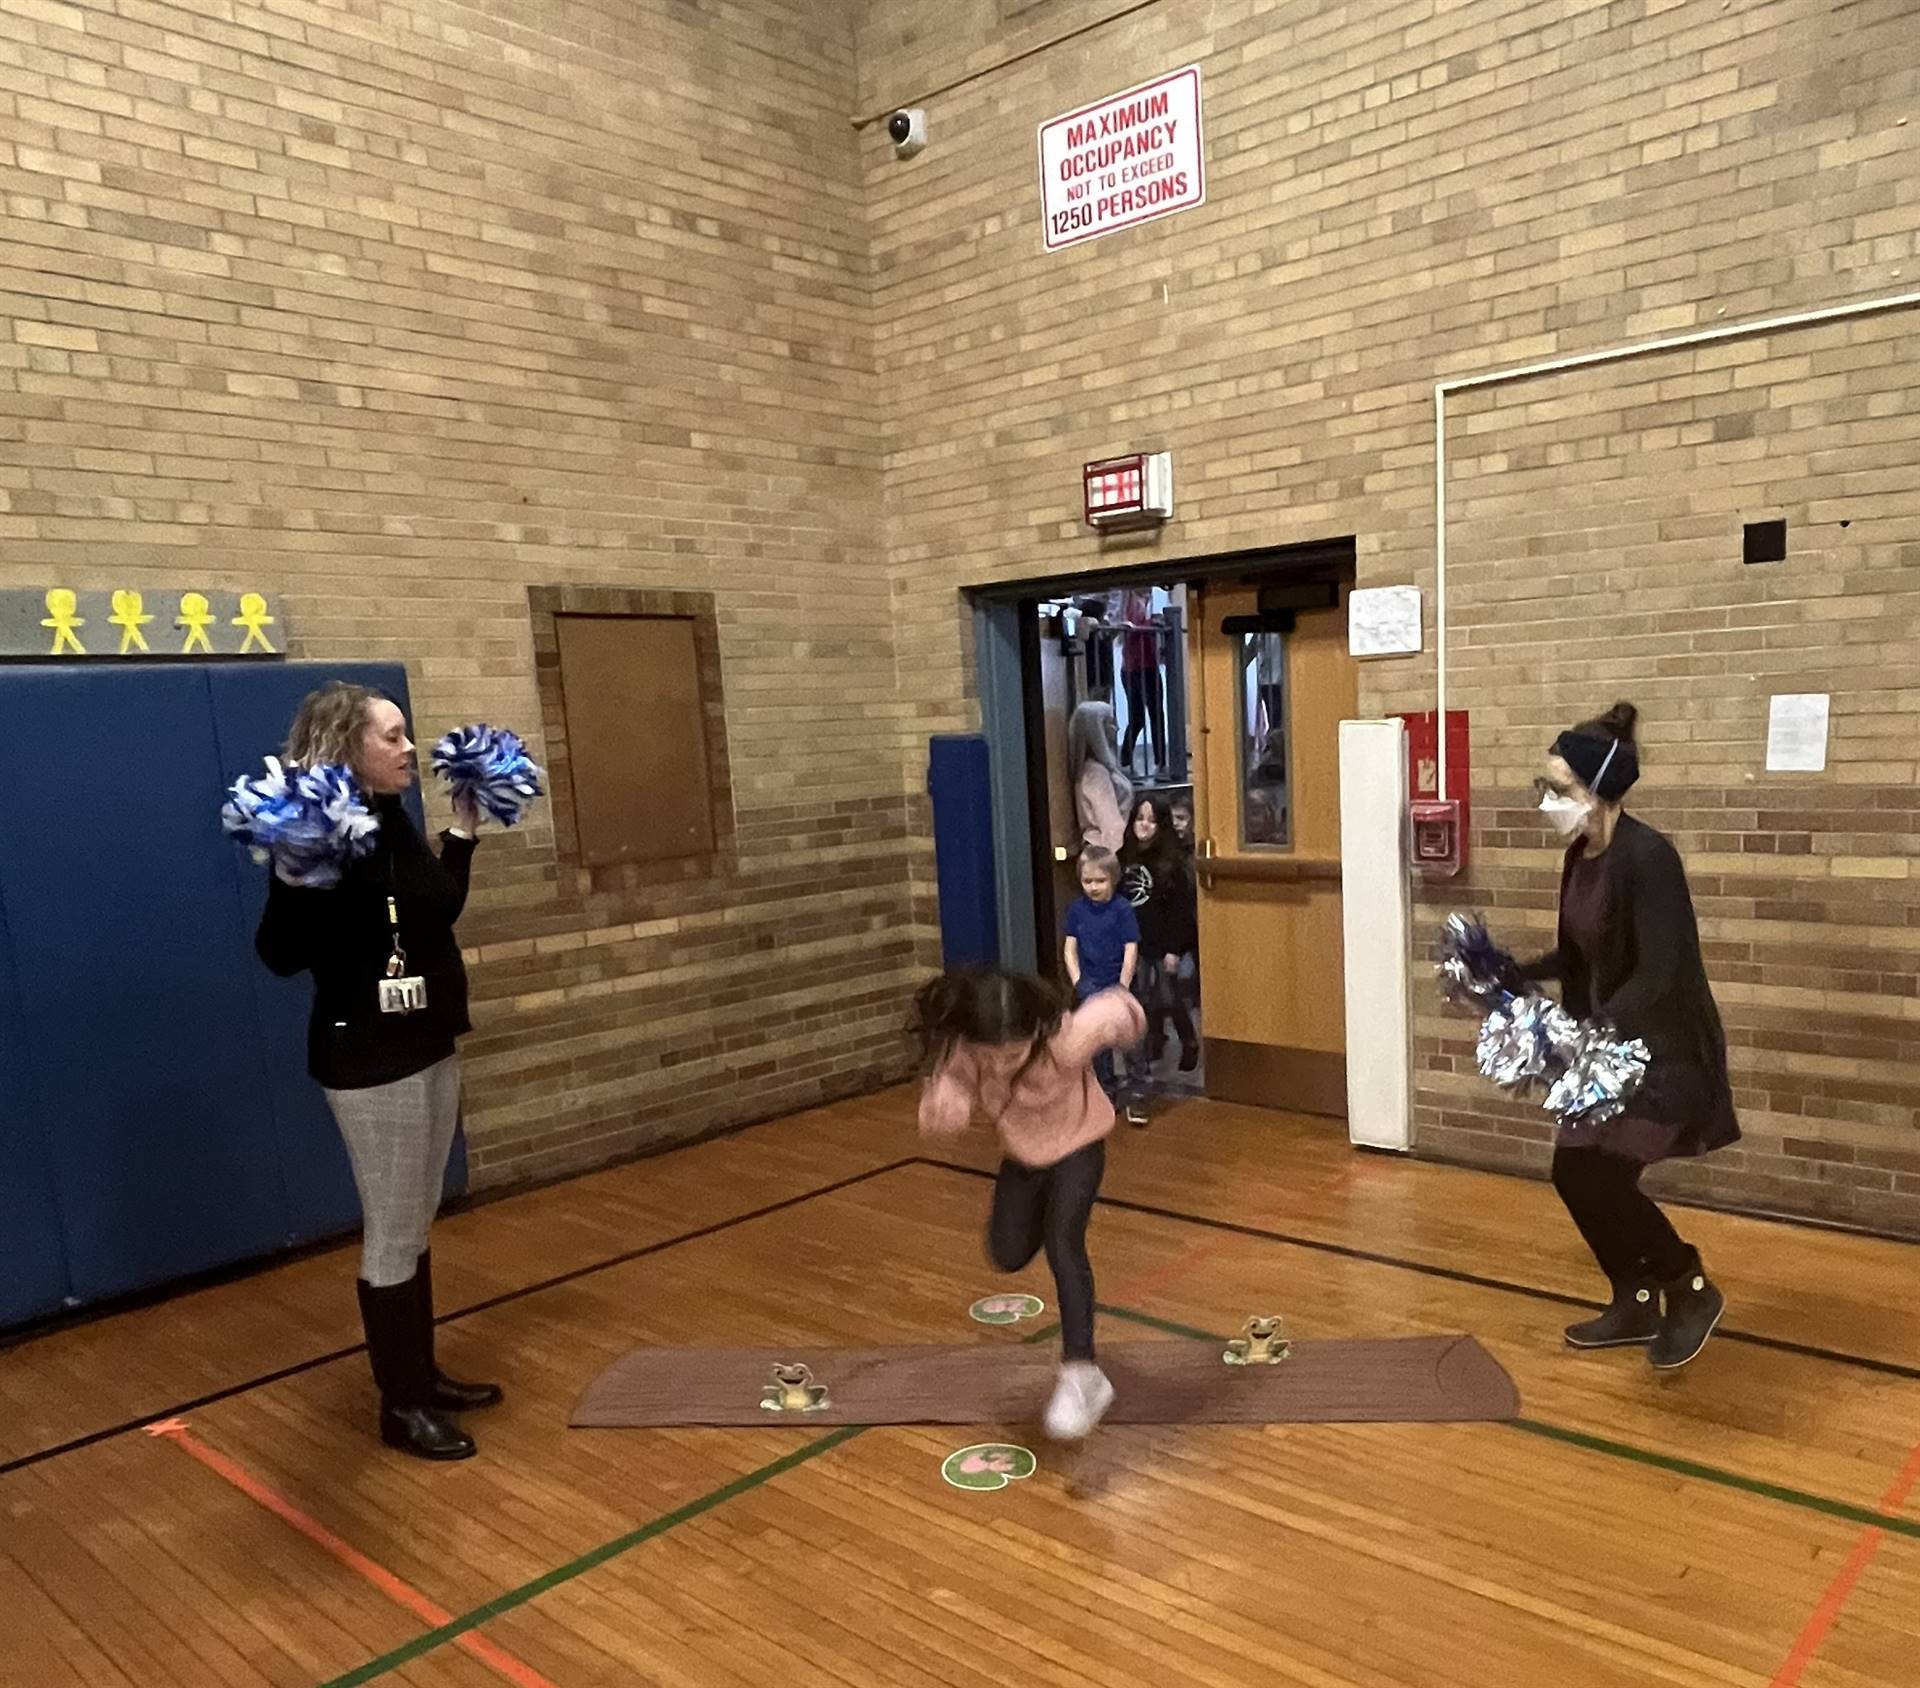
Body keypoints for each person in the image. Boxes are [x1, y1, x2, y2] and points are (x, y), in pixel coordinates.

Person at [254, 682, 500, 1460]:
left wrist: (462, 829)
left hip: (427, 1040)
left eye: (407, 735)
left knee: (417, 1216)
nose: (408, 749)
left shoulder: (394, 819)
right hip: (366, 1056)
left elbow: (433, 911)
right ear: (346, 747)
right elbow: (278, 954)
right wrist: (295, 884)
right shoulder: (316, 835)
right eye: (392, 737)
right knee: (392, 1232)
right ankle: (400, 1407)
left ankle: (421, 1375)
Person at [1517, 701, 1740, 1371]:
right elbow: (1577, 960)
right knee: (1572, 1172)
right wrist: (1510, 972)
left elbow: (1662, 973)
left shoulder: (1649, 858)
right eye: (1545, 788)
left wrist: (1592, 1035)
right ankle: (1635, 1298)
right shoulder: (1579, 856)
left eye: (1560, 790)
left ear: (1603, 794)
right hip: (1605, 1047)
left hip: (1664, 1054)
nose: (1548, 802)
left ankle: (1690, 1286)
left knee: (1608, 1177)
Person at [913, 967, 1146, 1440]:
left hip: (1080, 1146)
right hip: (1023, 1158)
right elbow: (954, 1081)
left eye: (1013, 1053)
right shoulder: (973, 1049)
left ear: (1037, 1031)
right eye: (990, 1054)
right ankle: (1042, 1212)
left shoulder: (1066, 1040)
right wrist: (947, 1101)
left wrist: (1125, 1013)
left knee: (1065, 1244)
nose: (1000, 1064)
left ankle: (1082, 1375)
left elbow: (1113, 1013)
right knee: (1006, 1253)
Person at [1064, 847, 1146, 1125]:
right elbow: (1069, 948)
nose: (1094, 887)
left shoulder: (1122, 909)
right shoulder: (1076, 910)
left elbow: (1130, 948)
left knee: (1130, 1041)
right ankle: (1106, 1092)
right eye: (1088, 881)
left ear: (1113, 879)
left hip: (1119, 987)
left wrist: (1123, 986)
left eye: (1100, 881)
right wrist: (1077, 980)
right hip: (1090, 987)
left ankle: (1136, 1093)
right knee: (1098, 1046)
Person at [1118, 796, 1199, 1073]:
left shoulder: (1172, 863)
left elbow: (1180, 910)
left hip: (1164, 941)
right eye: (1140, 818)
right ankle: (1154, 1040)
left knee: (1168, 995)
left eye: (1152, 820)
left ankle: (1189, 1040)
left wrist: (1174, 949)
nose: (1144, 825)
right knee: (1142, 994)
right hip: (1135, 940)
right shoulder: (1124, 855)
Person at [1068, 700, 1132, 853]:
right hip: (1105, 851)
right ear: (1095, 729)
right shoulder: (1096, 773)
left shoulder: (1088, 769)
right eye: (1111, 722)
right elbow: (1112, 827)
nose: (1117, 728)